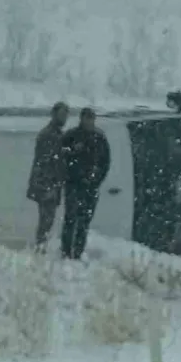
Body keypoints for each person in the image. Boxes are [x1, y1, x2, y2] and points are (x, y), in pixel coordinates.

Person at [59, 108, 111, 259]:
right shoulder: (71, 136)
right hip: (73, 184)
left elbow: (105, 163)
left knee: (84, 221)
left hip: (91, 186)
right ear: (81, 119)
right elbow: (60, 154)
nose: (89, 121)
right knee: (70, 219)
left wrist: (96, 180)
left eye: (91, 119)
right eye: (86, 118)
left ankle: (78, 252)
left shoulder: (99, 138)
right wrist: (72, 151)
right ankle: (66, 251)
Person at [27, 102, 69, 251]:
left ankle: (41, 245)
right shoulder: (48, 134)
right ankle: (40, 246)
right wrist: (48, 185)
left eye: (66, 115)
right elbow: (44, 161)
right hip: (46, 183)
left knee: (47, 219)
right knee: (46, 218)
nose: (64, 118)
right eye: (62, 114)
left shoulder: (57, 134)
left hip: (51, 183)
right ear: (54, 114)